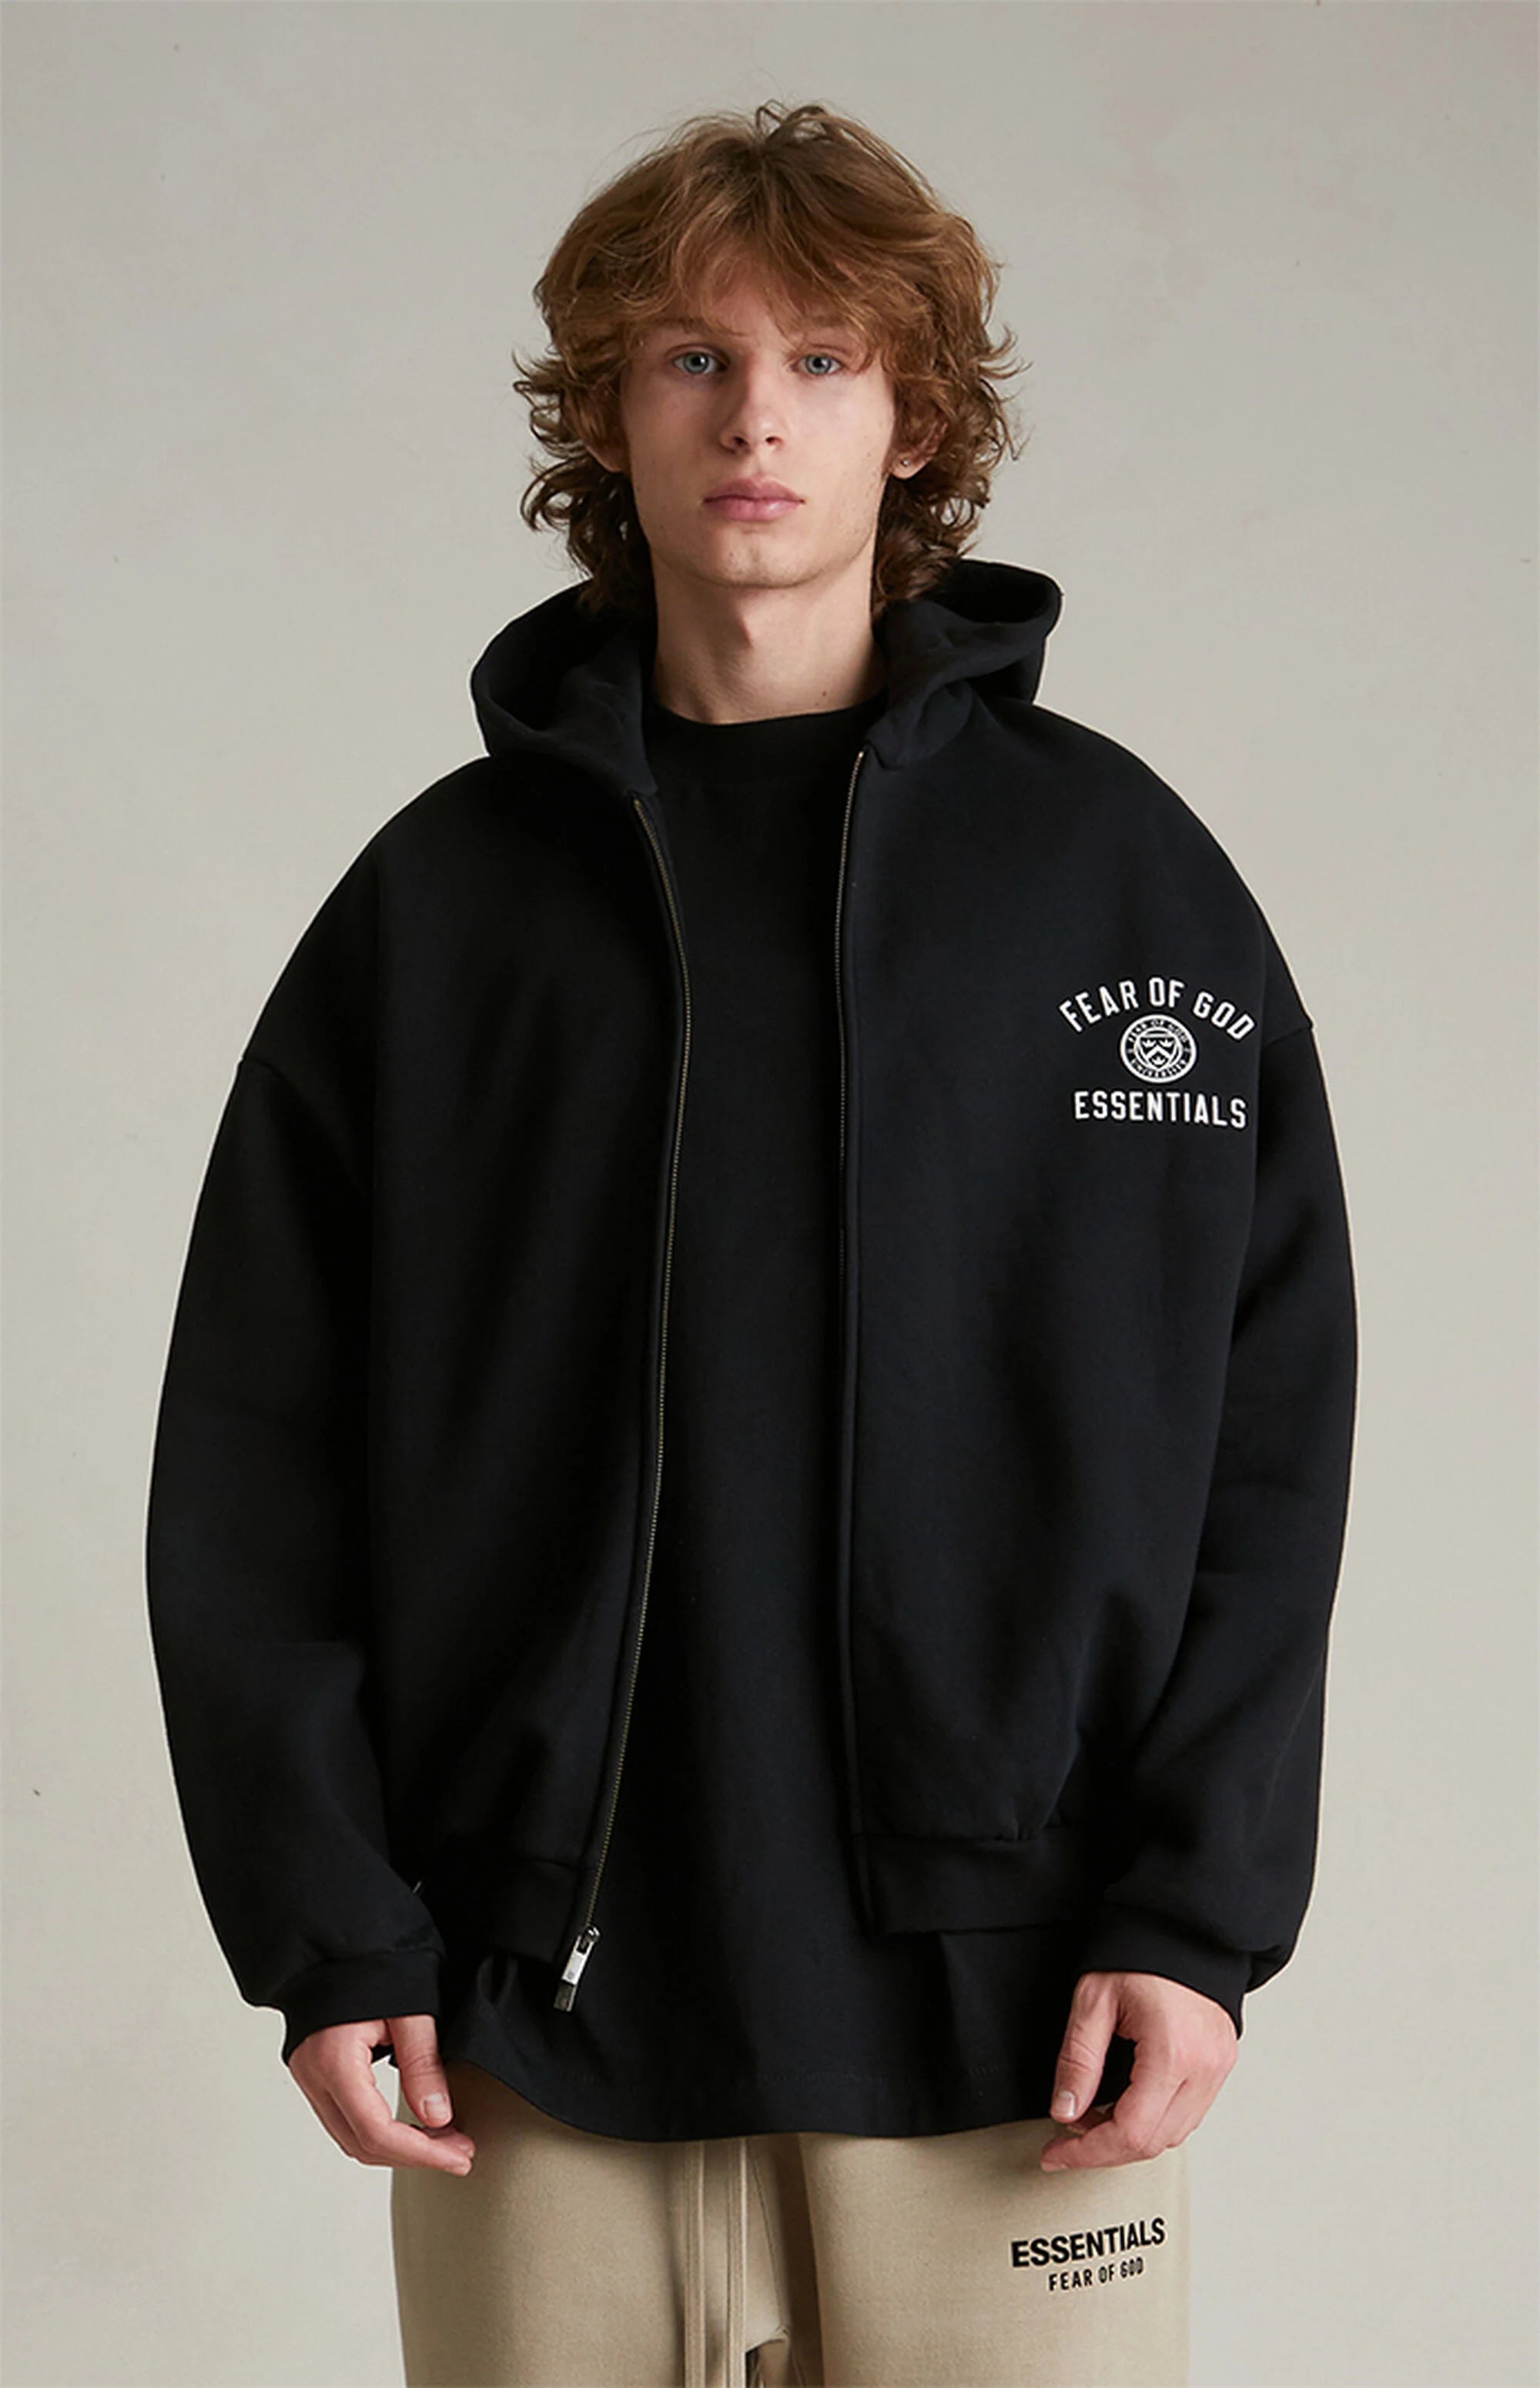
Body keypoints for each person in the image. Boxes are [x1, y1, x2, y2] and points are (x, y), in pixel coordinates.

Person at [145, 98, 1358, 2388]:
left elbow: (1267, 1448)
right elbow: (252, 1458)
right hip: (531, 2038)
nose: (757, 419)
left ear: (920, 423)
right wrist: (328, 1924)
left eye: (822, 359)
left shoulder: (1121, 892)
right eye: (693, 359)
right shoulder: (439, 915)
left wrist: (1198, 1909)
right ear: (608, 415)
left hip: (1026, 2036)